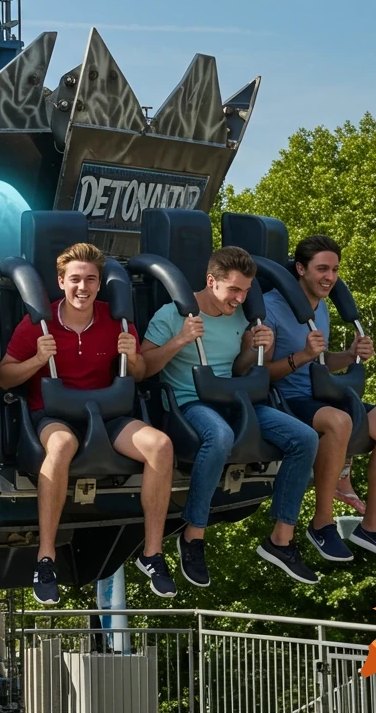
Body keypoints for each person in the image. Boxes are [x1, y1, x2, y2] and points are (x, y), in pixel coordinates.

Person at [0, 242, 176, 602]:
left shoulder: (117, 322)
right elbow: (3, 377)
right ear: (61, 281)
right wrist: (36, 361)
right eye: (75, 279)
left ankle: (152, 553)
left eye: (91, 280)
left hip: (107, 415)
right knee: (62, 445)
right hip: (54, 416)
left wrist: (133, 357)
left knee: (161, 445)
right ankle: (45, 557)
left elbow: (138, 373)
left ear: (99, 284)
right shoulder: (39, 323)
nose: (83, 288)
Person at [140, 246, 320, 586]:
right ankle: (193, 536)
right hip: (190, 403)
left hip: (236, 401)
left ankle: (281, 539)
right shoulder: (172, 314)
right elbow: (143, 369)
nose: (239, 298)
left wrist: (253, 348)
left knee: (305, 438)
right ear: (211, 281)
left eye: (246, 291)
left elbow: (239, 369)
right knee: (219, 436)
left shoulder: (241, 317)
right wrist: (180, 340)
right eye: (234, 290)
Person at [263, 234, 376, 564]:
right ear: (300, 269)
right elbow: (264, 375)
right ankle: (322, 523)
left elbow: (321, 361)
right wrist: (302, 354)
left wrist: (349, 355)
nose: (330, 277)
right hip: (285, 398)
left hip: (318, 394)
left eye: (335, 270)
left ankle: (372, 528)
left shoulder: (322, 308)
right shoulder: (272, 307)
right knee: (338, 420)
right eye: (322, 269)